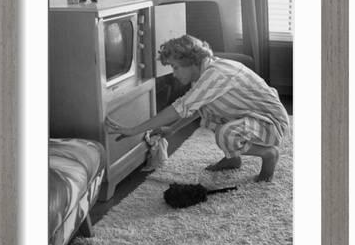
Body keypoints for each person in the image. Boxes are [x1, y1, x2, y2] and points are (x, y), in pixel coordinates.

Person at [106, 35, 290, 182]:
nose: (174, 74)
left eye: (175, 67)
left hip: (272, 125)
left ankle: (268, 153)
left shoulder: (216, 74)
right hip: (252, 116)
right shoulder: (206, 72)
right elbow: (194, 107)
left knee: (226, 134)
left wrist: (134, 130)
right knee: (207, 109)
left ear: (192, 62)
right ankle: (233, 158)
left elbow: (180, 107)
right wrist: (172, 128)